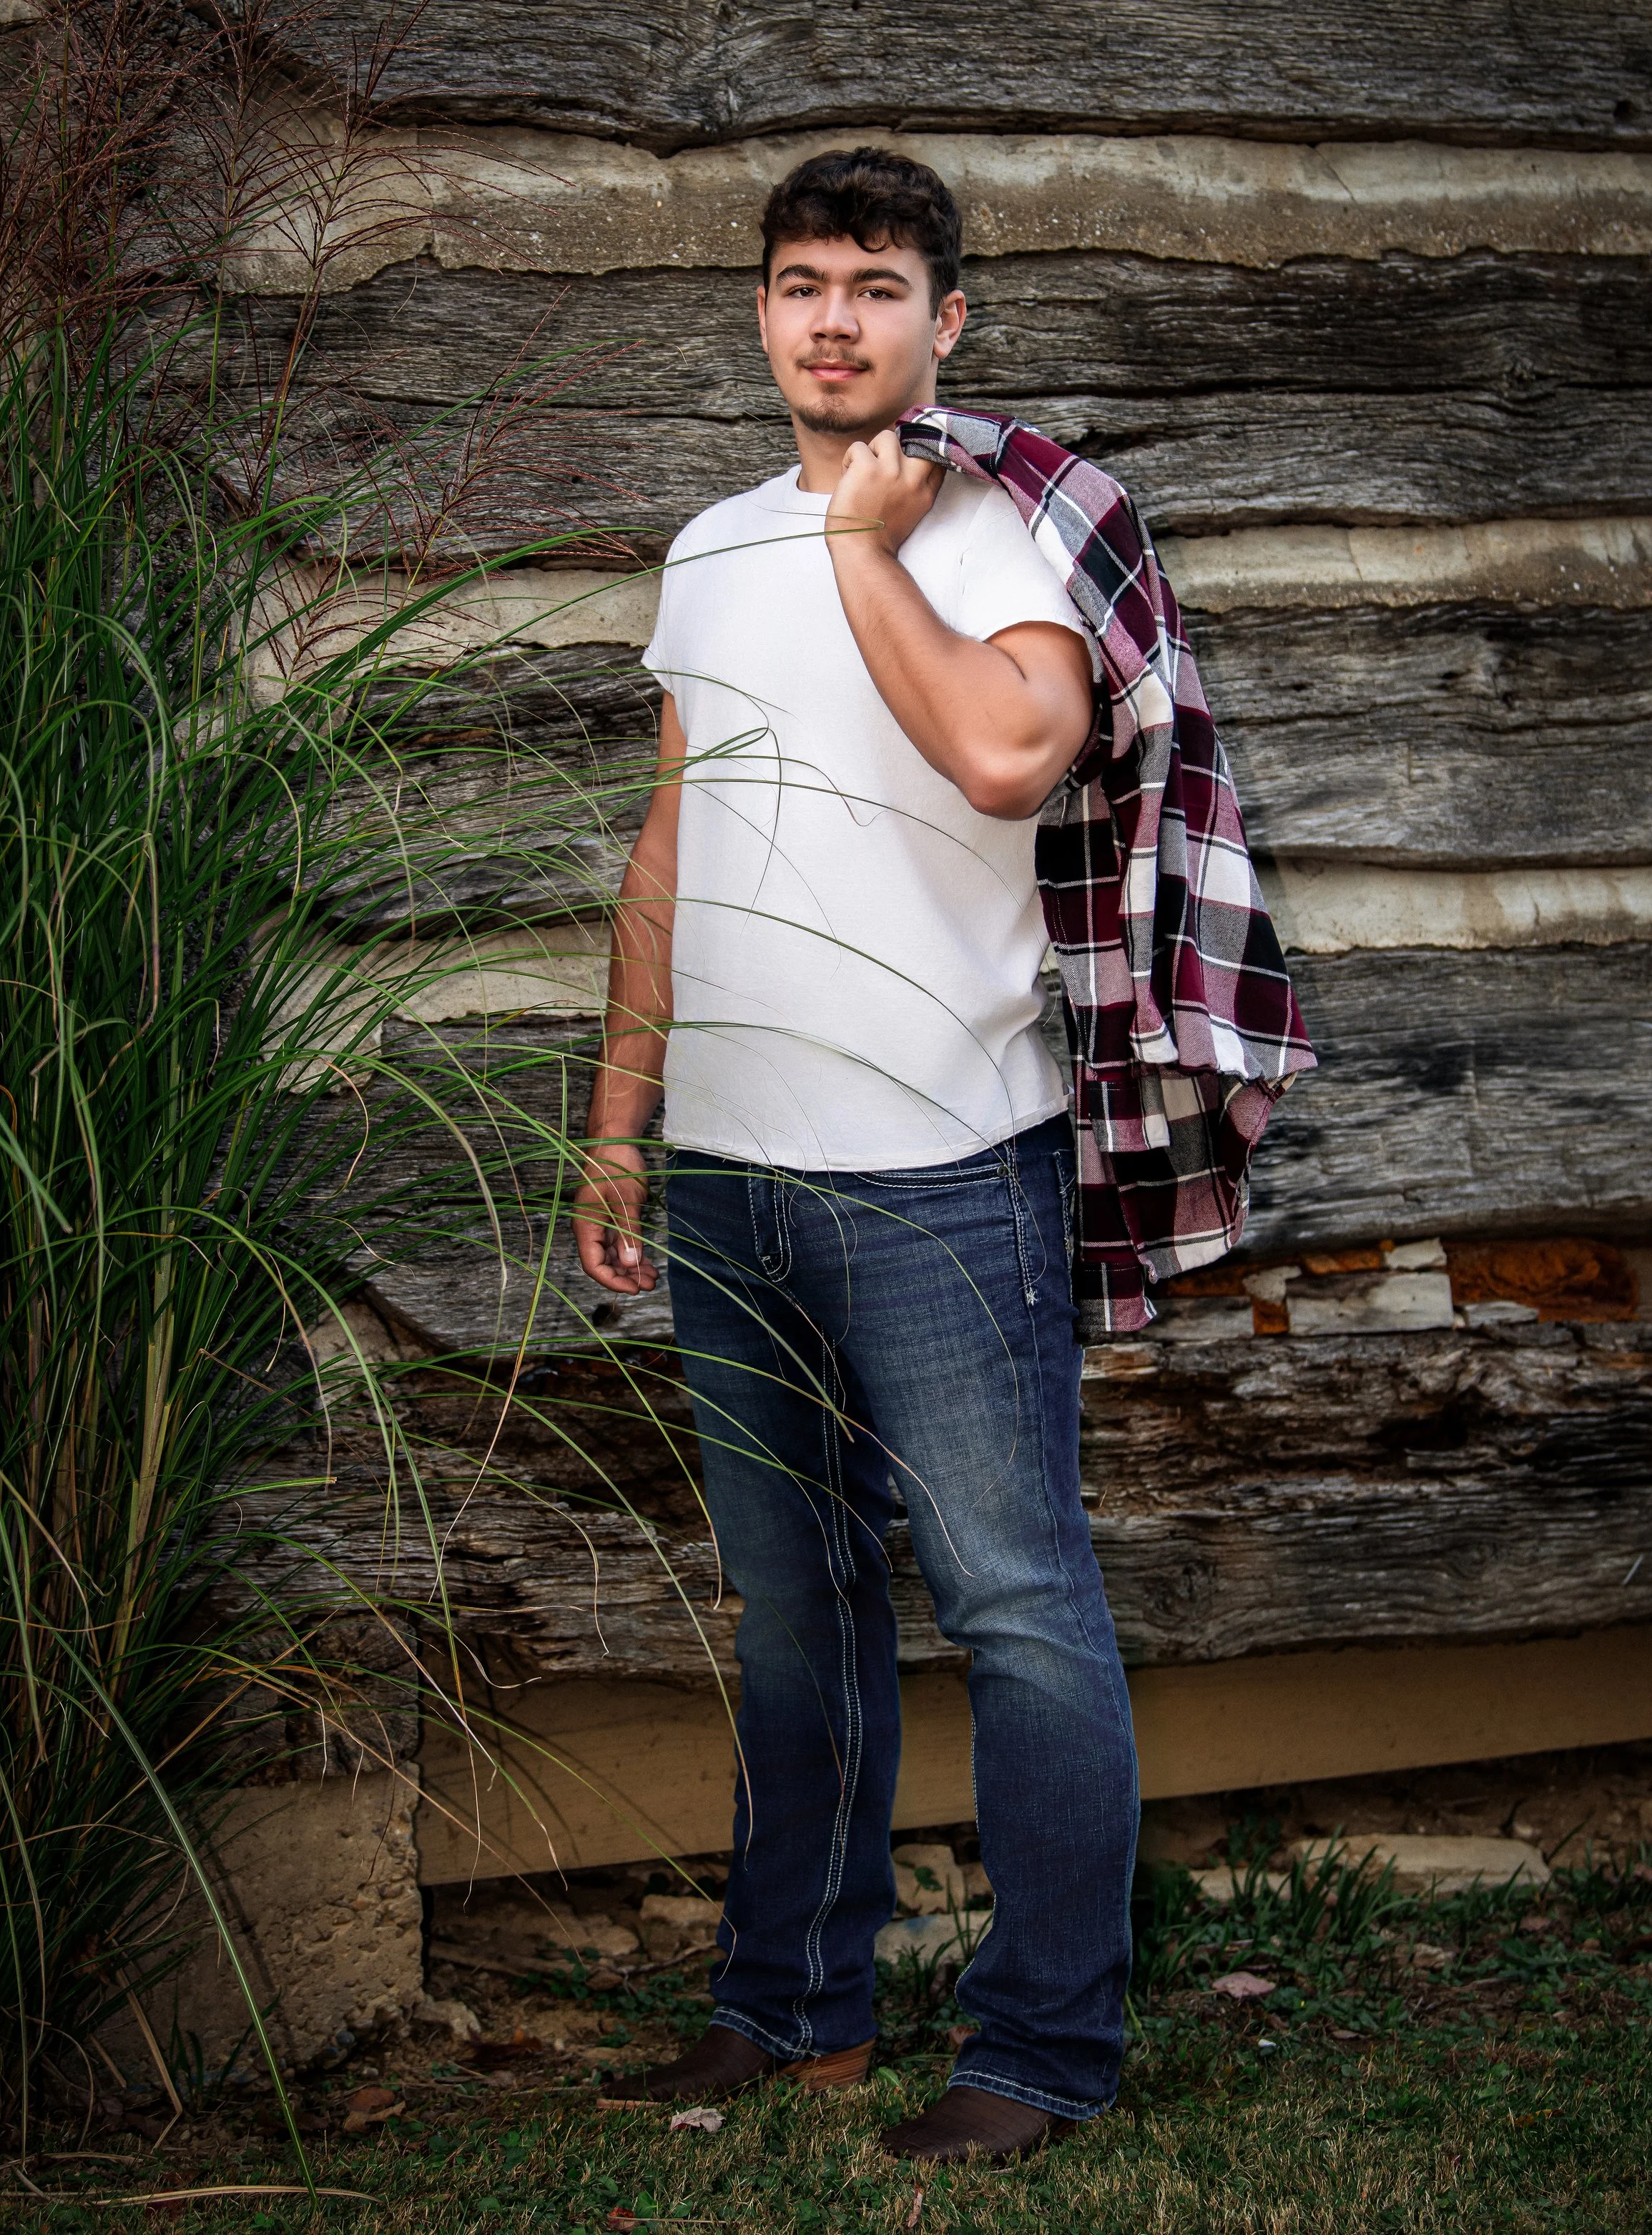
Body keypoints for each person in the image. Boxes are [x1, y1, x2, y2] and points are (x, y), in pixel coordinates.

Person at [572, 146, 1143, 2165]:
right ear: (759, 311)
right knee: (793, 1612)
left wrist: (863, 552)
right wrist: (622, 1110)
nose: (835, 317)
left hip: (933, 1157)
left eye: (878, 286)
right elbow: (675, 838)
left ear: (944, 322)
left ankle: (1043, 2046)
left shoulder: (1000, 534)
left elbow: (1006, 752)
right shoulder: (707, 547)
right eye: (802, 281)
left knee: (1012, 1601)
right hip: (728, 1160)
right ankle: (792, 2006)